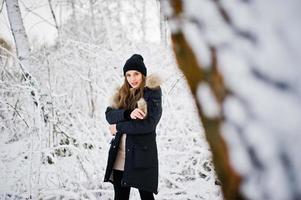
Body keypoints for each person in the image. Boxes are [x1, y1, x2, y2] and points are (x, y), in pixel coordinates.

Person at [104, 54, 162, 200]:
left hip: (141, 156)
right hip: (120, 154)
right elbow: (109, 115)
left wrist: (118, 128)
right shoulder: (122, 93)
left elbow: (148, 125)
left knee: (146, 196)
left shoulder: (152, 92)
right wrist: (128, 113)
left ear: (143, 74)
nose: (132, 78)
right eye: (128, 75)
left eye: (136, 74)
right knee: (120, 197)